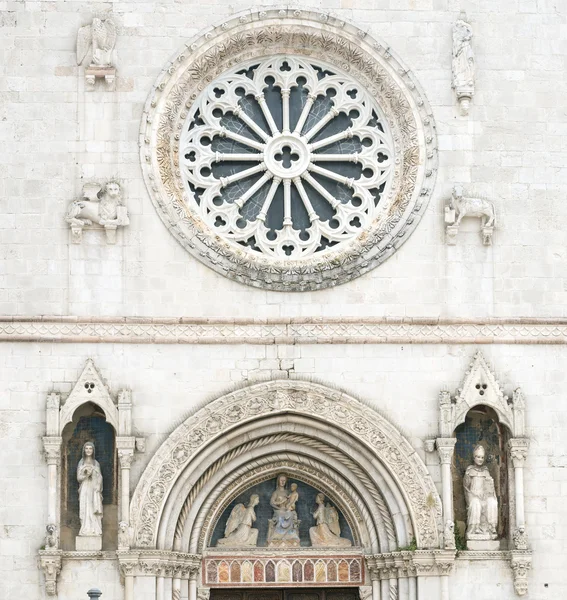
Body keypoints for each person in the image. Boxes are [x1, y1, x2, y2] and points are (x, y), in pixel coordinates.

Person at [463, 445, 498, 539]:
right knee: (475, 503)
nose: (480, 459)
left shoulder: (486, 471)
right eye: (478, 457)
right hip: (473, 495)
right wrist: (467, 478)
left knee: (492, 502)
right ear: (474, 457)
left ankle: (491, 527)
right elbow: (466, 487)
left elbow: (490, 487)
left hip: (485, 495)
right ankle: (475, 528)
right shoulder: (470, 470)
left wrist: (489, 492)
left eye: (482, 457)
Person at [77, 441, 103, 536]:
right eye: (87, 448)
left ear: (93, 450)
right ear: (84, 450)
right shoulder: (81, 462)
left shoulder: (96, 463)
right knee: (85, 506)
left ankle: (94, 529)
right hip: (85, 487)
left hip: (94, 488)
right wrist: (86, 475)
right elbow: (78, 478)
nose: (88, 450)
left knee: (93, 507)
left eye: (90, 448)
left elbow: (100, 477)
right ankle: (85, 528)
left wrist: (98, 486)